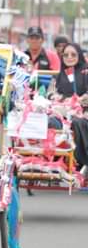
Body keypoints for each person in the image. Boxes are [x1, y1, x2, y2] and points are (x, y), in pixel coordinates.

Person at [53, 42, 88, 171]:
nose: (69, 57)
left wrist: (81, 100)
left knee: (78, 122)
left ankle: (82, 160)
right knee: (50, 121)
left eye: (73, 54)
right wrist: (58, 99)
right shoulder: (60, 75)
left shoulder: (86, 72)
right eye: (66, 55)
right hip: (63, 112)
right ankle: (54, 159)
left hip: (83, 112)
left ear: (79, 55)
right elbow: (54, 93)